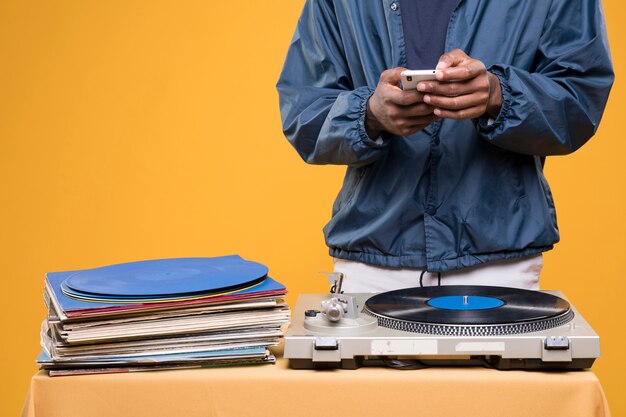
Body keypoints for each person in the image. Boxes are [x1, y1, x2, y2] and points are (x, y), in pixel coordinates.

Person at [277, 0, 613, 292]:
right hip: (371, 264)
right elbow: (303, 113)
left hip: (499, 264)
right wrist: (369, 114)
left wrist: (499, 94)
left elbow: (581, 100)